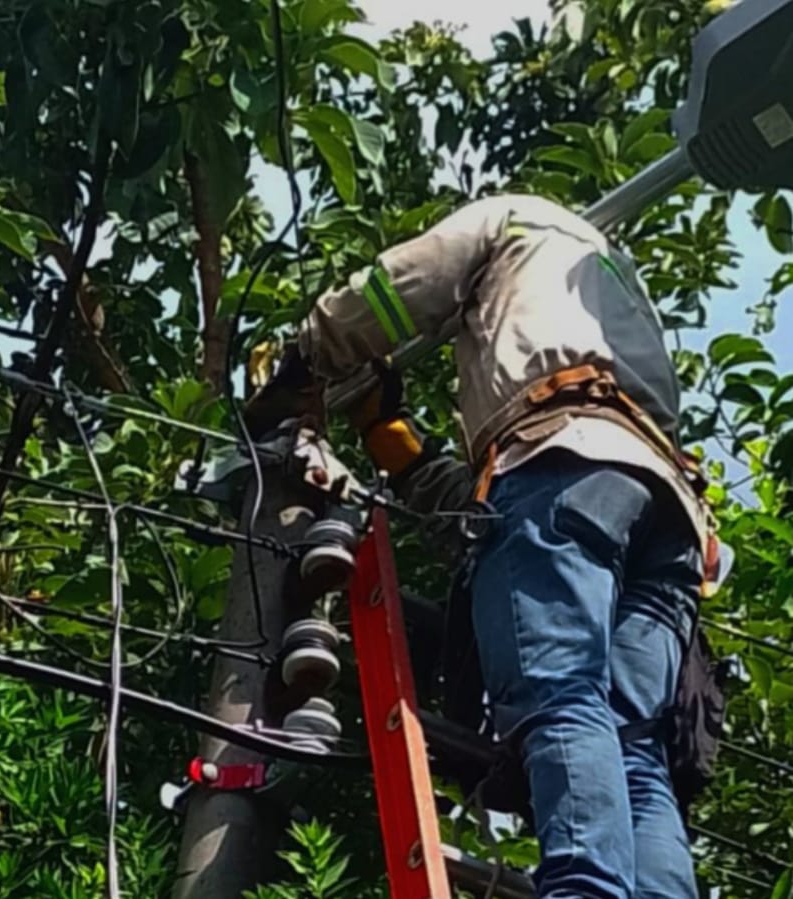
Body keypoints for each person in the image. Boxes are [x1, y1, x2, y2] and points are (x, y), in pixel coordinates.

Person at [264, 193, 719, 899]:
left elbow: (399, 287)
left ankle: (584, 889)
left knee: (561, 693)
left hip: (565, 472)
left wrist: (307, 356)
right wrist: (395, 443)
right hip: (667, 512)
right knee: (635, 750)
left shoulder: (518, 217)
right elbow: (496, 501)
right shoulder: (617, 289)